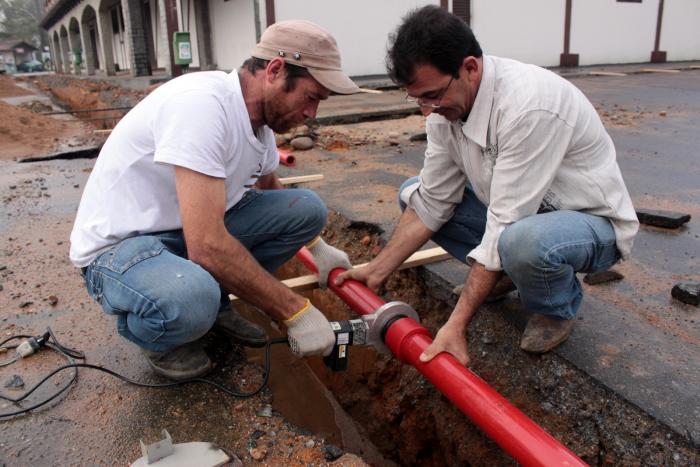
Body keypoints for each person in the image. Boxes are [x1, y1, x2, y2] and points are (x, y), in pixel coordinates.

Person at [337, 6, 639, 366]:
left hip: (586, 223)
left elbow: (506, 224)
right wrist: (377, 269)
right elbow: (433, 201)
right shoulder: (443, 110)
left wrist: (455, 325)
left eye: (432, 94)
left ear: (470, 68)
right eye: (417, 98)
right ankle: (508, 274)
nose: (426, 110)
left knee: (522, 242)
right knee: (413, 194)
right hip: (519, 215)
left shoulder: (528, 106)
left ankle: (557, 307)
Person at [69, 20, 359, 380]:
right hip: (123, 249)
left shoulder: (260, 120)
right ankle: (161, 335)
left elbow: (268, 182)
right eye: (310, 97)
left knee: (307, 210)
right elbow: (205, 246)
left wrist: (316, 248)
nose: (312, 113)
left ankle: (215, 305)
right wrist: (295, 311)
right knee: (191, 299)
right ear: (275, 70)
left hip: (180, 235)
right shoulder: (201, 107)